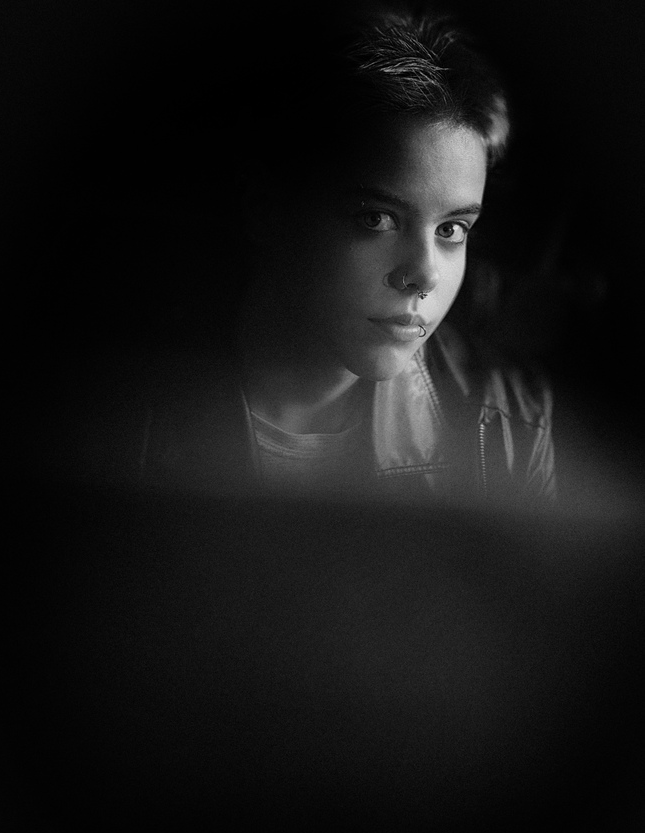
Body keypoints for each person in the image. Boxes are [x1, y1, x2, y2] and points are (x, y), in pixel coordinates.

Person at [78, 3, 556, 508]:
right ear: (267, 207)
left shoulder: (509, 423)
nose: (424, 274)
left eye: (451, 230)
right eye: (376, 218)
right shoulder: (109, 409)